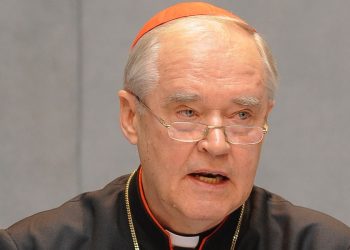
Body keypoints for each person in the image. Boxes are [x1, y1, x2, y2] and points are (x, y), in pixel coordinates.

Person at [0, 2, 349, 249]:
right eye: (188, 113)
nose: (216, 145)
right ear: (131, 117)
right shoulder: (38, 244)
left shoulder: (323, 244)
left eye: (241, 116)